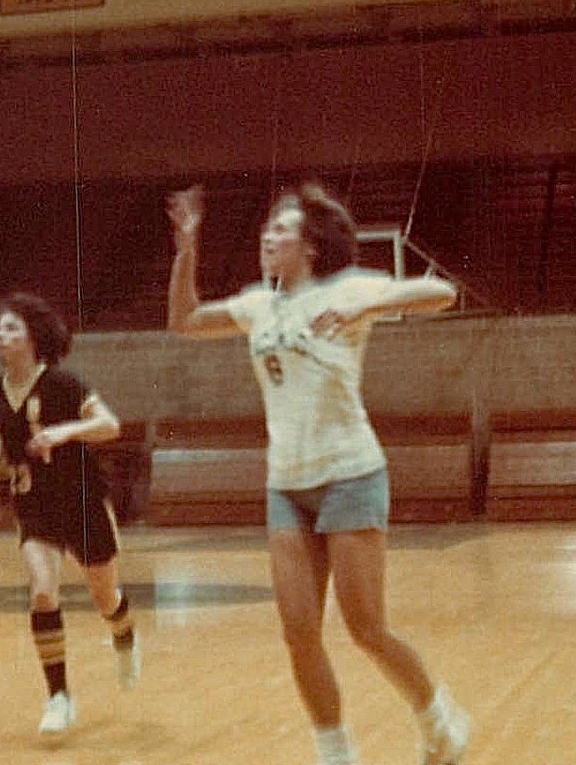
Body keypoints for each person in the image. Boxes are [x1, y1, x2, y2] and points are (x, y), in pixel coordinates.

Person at [165, 183, 467, 765]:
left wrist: (366, 305)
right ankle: (335, 754)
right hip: (286, 484)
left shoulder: (348, 289)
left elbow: (441, 292)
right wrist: (187, 247)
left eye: (281, 228)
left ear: (311, 244)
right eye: (267, 229)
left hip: (351, 474)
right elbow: (184, 320)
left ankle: (437, 718)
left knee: (366, 630)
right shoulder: (258, 305)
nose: (268, 236)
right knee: (298, 632)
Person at [0, 292, 139, 737]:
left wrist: (64, 433)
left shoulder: (63, 384)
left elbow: (110, 425)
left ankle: (123, 631)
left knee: (104, 596)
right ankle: (58, 696)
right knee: (43, 593)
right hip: (34, 504)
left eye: (11, 328)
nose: (0, 335)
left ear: (32, 337)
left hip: (81, 499)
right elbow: (10, 436)